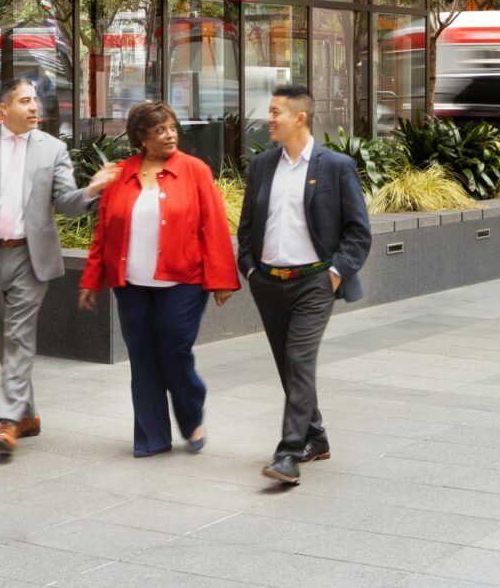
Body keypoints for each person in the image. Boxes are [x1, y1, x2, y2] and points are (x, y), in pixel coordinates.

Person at [0, 78, 100, 456]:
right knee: (3, 340)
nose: (34, 108)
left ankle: (8, 422)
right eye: (25, 101)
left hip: (32, 256)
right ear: (3, 109)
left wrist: (93, 190)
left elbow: (68, 203)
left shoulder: (53, 149)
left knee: (18, 336)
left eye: (36, 101)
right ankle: (27, 414)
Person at [79, 101, 239, 457]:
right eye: (159, 130)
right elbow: (104, 231)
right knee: (142, 357)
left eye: (171, 128)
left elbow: (213, 226)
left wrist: (222, 279)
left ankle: (191, 415)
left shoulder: (195, 170)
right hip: (132, 285)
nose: (169, 135)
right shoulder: (121, 172)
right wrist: (91, 280)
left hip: (183, 281)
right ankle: (152, 437)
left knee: (174, 350)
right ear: (142, 137)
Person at [235, 83, 371, 487]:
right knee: (287, 363)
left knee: (298, 360)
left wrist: (334, 274)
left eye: (276, 112)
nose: (269, 119)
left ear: (300, 117)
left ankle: (288, 452)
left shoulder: (335, 166)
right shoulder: (262, 166)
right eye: (270, 111)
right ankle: (316, 436)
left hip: (314, 281)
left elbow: (358, 232)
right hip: (269, 282)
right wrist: (250, 269)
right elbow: (247, 227)